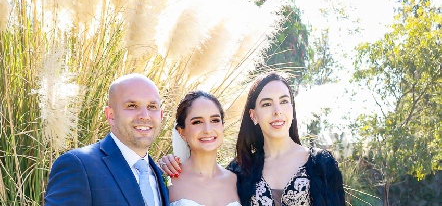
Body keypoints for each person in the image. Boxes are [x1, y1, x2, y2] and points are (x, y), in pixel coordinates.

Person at [160, 72, 345, 206]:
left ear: (292, 108)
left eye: (284, 101)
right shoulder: (241, 171)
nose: (277, 111)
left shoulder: (322, 165)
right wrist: (166, 162)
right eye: (266, 104)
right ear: (253, 115)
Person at [45, 73, 169, 206]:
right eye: (132, 106)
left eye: (152, 107)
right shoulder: (79, 165)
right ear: (110, 115)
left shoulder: (161, 175)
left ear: (161, 115)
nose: (145, 116)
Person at [164, 90, 240, 206]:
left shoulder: (238, 181)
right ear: (182, 132)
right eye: (197, 122)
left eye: (214, 120)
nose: (208, 130)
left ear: (222, 126)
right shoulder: (168, 180)